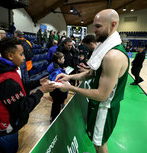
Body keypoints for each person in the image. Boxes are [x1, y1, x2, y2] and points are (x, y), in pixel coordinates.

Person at [55, 9, 129, 153]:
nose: (94, 30)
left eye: (98, 26)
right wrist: (69, 77)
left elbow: (102, 95)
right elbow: (90, 74)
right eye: (94, 26)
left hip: (104, 109)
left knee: (100, 145)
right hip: (98, 106)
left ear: (113, 24)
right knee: (96, 142)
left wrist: (71, 88)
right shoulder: (104, 47)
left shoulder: (113, 56)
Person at [0, 37, 56, 153]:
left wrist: (37, 83)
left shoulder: (9, 69)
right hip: (6, 130)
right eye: (21, 54)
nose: (24, 57)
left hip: (10, 125)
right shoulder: (6, 81)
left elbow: (21, 86)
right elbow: (23, 108)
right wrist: (41, 91)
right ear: (10, 56)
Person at [47, 52, 67, 122]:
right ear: (58, 60)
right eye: (63, 58)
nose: (64, 59)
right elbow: (58, 81)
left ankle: (52, 117)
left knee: (55, 104)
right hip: (58, 92)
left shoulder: (54, 65)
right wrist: (65, 73)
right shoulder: (56, 70)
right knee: (57, 106)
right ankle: (54, 120)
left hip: (54, 91)